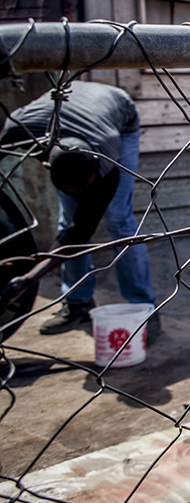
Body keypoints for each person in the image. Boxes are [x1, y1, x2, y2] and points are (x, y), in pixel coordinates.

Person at [0, 81, 156, 335]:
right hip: (64, 109)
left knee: (119, 219)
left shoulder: (106, 158)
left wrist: (27, 279)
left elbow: (79, 233)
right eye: (72, 190)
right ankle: (77, 303)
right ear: (48, 165)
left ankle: (144, 309)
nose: (81, 195)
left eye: (85, 187)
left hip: (116, 112)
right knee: (68, 219)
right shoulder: (17, 129)